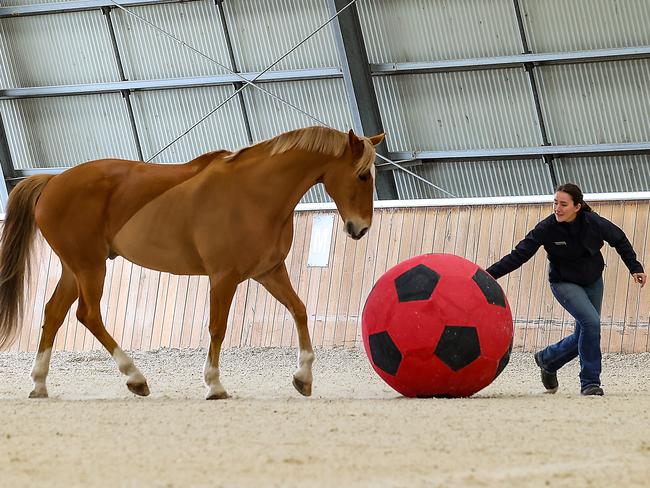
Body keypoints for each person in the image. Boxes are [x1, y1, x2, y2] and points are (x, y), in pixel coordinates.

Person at [486, 183, 646, 396]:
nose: (557, 208)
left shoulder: (593, 223)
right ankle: (590, 382)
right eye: (555, 203)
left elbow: (620, 239)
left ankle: (548, 359)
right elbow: (519, 256)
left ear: (577, 206)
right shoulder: (546, 228)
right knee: (591, 323)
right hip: (564, 282)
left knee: (587, 330)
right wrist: (487, 275)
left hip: (592, 281)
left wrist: (635, 267)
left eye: (563, 204)